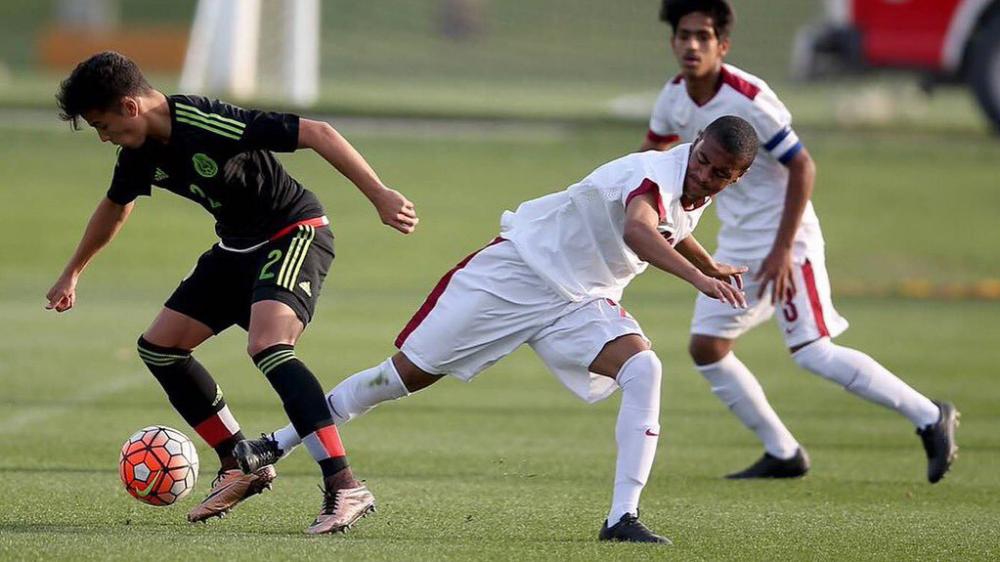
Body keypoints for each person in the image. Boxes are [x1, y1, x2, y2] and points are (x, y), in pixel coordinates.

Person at [234, 116, 760, 544]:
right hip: (518, 274)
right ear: (693, 146)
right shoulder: (656, 172)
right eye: (702, 160)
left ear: (736, 178)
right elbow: (640, 228)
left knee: (645, 367)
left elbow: (673, 226)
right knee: (401, 379)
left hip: (580, 301)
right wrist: (697, 279)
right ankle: (275, 446)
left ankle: (622, 518)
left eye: (719, 173)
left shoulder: (694, 192)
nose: (704, 175)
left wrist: (709, 264)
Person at [45, 51, 419, 533]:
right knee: (160, 348)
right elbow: (116, 206)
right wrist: (73, 271)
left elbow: (318, 132)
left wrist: (380, 195)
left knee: (268, 346)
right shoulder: (137, 153)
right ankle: (240, 464)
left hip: (294, 232)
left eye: (103, 124)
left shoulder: (208, 121)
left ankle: (344, 485)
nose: (103, 137)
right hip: (237, 248)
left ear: (130, 107)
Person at [641, 0, 958, 482]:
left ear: (722, 46)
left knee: (813, 350)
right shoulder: (673, 97)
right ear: (671, 42)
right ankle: (784, 453)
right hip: (738, 241)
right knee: (707, 347)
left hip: (788, 239)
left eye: (703, 36)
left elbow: (802, 165)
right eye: (684, 35)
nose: (691, 45)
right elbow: (650, 157)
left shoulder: (749, 96)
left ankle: (930, 416)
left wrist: (783, 249)